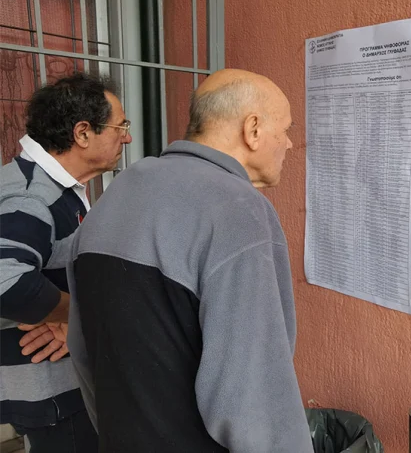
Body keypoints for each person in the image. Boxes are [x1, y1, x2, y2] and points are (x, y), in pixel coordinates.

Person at [66, 69, 311, 451]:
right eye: (285, 129)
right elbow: (253, 402)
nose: (290, 143)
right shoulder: (240, 210)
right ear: (253, 130)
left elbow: (82, 349)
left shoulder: (119, 192)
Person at [0, 73, 131, 452]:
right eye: (120, 127)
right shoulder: (32, 195)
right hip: (51, 396)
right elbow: (7, 282)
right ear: (83, 133)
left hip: (58, 389)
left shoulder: (55, 188)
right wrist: (76, 314)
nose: (127, 138)